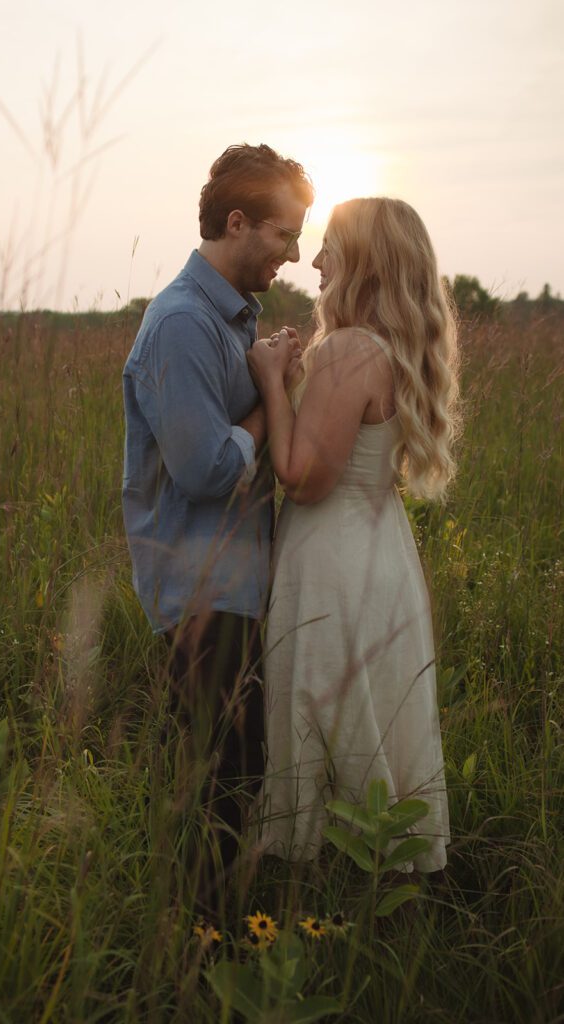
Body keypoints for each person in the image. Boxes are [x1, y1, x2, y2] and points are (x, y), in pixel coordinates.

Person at [122, 144, 314, 912]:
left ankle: (220, 938)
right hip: (201, 591)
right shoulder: (180, 324)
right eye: (284, 234)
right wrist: (271, 399)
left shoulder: (233, 318)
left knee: (236, 777)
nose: (295, 255)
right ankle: (204, 956)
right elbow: (203, 470)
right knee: (219, 787)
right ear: (237, 222)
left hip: (234, 584)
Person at [247, 197, 458, 871]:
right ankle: (372, 858)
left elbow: (302, 477)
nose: (315, 261)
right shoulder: (398, 349)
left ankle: (310, 866)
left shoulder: (347, 350)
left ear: (364, 261)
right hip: (382, 551)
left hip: (333, 557)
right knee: (372, 705)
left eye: (331, 246)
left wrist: (273, 381)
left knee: (320, 703)